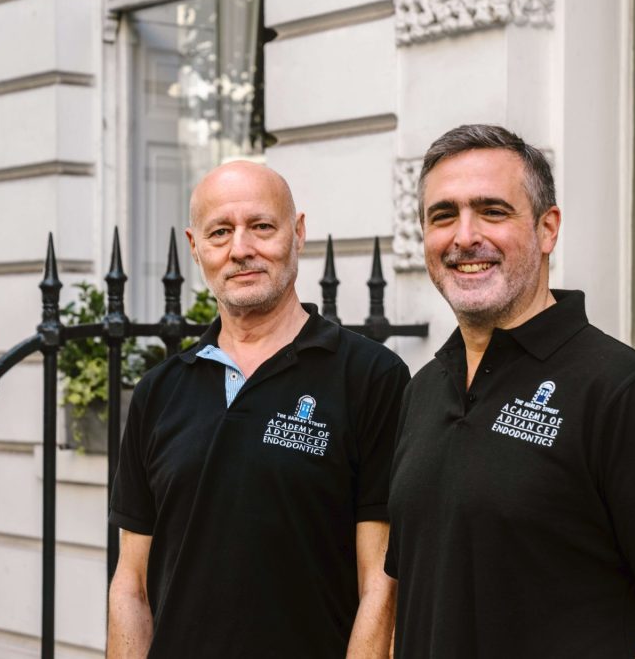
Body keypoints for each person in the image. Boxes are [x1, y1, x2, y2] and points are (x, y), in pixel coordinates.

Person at [385, 125, 635, 658]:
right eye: (443, 215)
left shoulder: (623, 393)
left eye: (492, 211)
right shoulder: (422, 391)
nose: (464, 236)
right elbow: (413, 596)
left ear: (547, 228)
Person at [107, 161, 409, 658]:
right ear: (195, 247)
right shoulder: (158, 392)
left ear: (299, 233)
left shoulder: (370, 378)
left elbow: (382, 585)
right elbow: (130, 586)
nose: (240, 249)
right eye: (220, 232)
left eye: (261, 227)